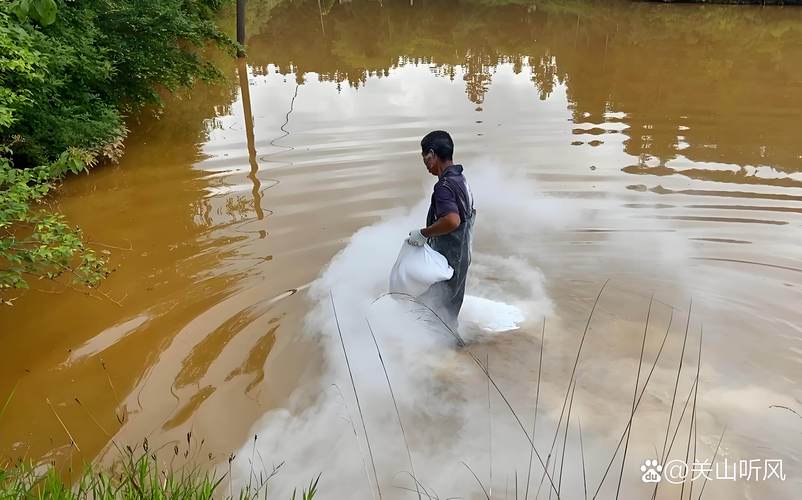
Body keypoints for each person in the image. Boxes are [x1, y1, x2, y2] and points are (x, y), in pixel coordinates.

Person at [407, 130, 476, 330]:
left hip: (446, 263)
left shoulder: (444, 187)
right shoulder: (461, 180)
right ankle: (452, 350)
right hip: (461, 259)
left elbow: (452, 221)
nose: (426, 165)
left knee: (430, 312)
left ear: (432, 154)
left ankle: (442, 352)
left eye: (425, 159)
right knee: (448, 312)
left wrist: (423, 233)